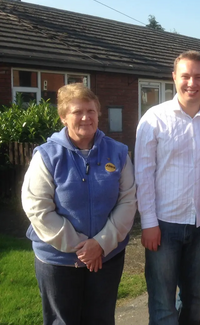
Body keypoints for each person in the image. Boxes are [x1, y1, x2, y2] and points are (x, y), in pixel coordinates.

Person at [21, 83, 137, 325]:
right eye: (77, 112)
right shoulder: (46, 155)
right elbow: (37, 207)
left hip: (107, 257)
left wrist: (101, 244)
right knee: (62, 321)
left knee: (101, 319)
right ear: (64, 117)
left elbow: (128, 200)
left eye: (91, 111)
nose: (86, 117)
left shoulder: (118, 152)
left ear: (98, 114)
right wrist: (84, 248)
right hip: (58, 260)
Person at [135, 50, 200, 325]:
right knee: (162, 303)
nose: (192, 83)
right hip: (163, 226)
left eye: (198, 77)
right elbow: (144, 173)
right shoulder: (154, 118)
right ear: (174, 77)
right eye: (185, 76)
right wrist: (148, 223)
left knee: (195, 300)